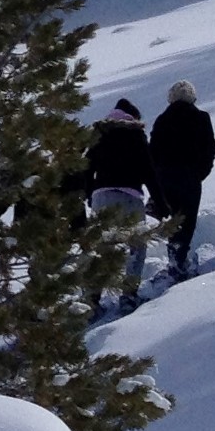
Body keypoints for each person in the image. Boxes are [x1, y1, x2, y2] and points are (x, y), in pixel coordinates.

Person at [84, 98, 152, 308]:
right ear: (133, 117)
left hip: (101, 197)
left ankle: (91, 300)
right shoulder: (136, 135)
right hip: (129, 197)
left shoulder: (99, 134)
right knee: (136, 246)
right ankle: (129, 296)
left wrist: (89, 194)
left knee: (101, 248)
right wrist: (160, 198)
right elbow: (148, 170)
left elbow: (85, 167)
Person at [147, 81, 215, 278]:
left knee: (173, 219)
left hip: (165, 177)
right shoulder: (201, 117)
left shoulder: (162, 120)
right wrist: (201, 173)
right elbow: (209, 149)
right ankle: (179, 259)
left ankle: (175, 257)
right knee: (187, 220)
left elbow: (153, 152)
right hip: (190, 177)